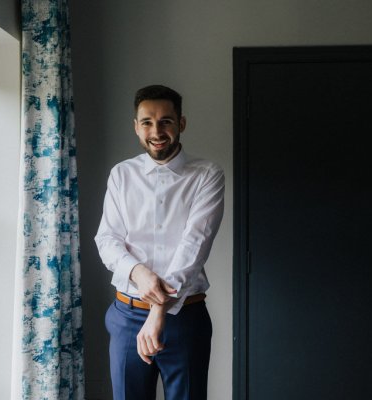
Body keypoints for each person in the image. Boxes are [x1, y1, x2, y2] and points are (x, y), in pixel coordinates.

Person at [95, 84, 225, 400]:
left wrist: (158, 311)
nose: (157, 131)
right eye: (147, 122)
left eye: (166, 121)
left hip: (185, 319)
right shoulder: (121, 174)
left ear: (181, 123)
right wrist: (139, 272)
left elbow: (194, 245)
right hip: (126, 316)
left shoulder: (207, 174)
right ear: (136, 127)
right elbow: (107, 238)